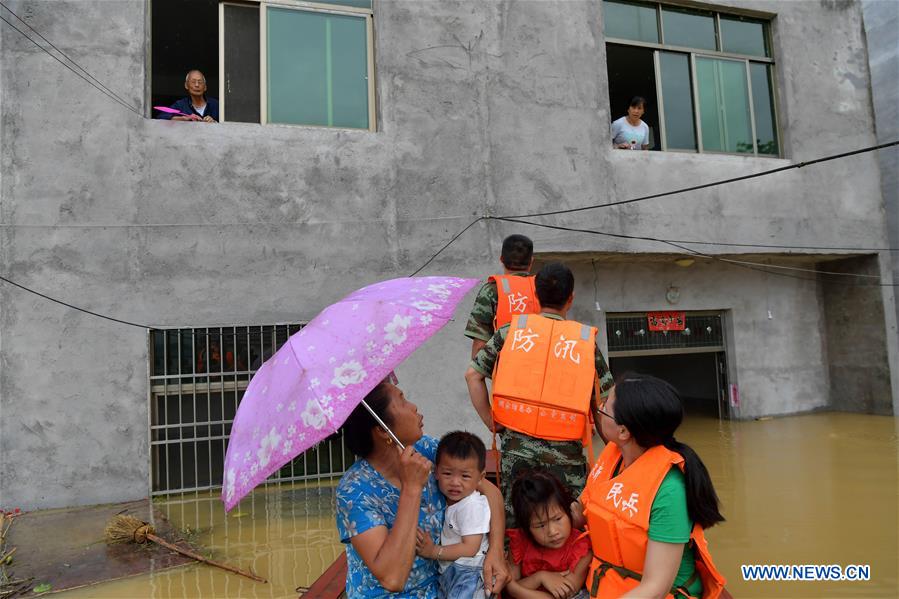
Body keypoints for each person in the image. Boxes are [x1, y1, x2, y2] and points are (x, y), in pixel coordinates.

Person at [465, 262, 614, 526]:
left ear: (535, 295)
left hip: (516, 456)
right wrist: (615, 458)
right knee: (567, 530)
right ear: (571, 299)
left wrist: (491, 422)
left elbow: (473, 376)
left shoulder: (510, 332)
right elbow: (604, 405)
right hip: (566, 460)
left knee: (519, 528)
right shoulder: (584, 342)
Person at [336, 382, 509, 598]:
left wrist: (495, 551)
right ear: (382, 430)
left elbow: (490, 491)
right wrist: (412, 488)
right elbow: (393, 578)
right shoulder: (355, 491)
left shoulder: (425, 449)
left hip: (443, 586)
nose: (414, 407)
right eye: (402, 401)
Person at [575, 374, 728, 598]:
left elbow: (655, 589)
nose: (599, 408)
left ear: (624, 431)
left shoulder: (669, 490)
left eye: (605, 406)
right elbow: (580, 510)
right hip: (606, 586)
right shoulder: (614, 456)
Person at [414, 431, 491, 599]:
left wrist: (434, 551)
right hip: (453, 571)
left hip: (468, 572)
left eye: (465, 476)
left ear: (480, 477)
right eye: (447, 473)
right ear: (436, 472)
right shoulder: (455, 502)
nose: (455, 482)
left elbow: (470, 548)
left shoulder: (471, 506)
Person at [505, 469, 592, 599]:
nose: (553, 532)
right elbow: (507, 588)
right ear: (526, 527)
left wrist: (514, 589)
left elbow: (566, 593)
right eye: (540, 525)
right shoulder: (520, 542)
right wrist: (540, 577)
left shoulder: (581, 549)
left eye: (557, 519)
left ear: (568, 511)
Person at [464, 234, 540, 359]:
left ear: (501, 259)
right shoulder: (544, 289)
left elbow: (480, 345)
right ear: (531, 261)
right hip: (540, 371)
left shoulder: (491, 290)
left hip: (505, 373)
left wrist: (477, 375)